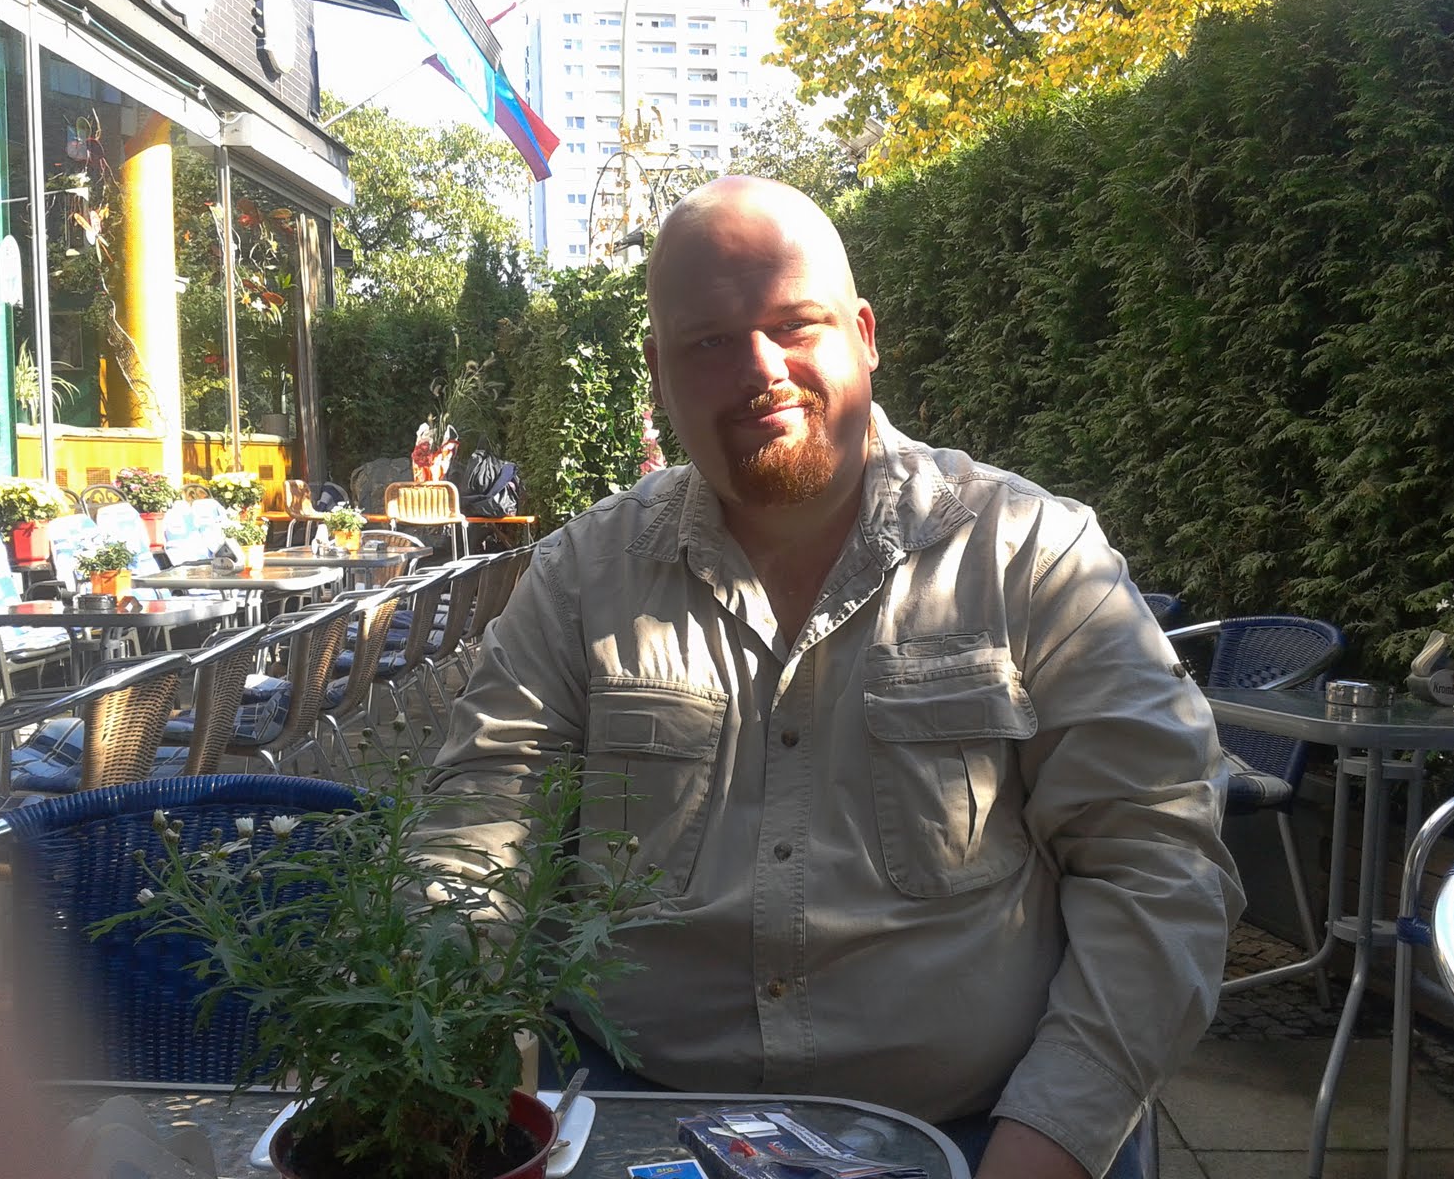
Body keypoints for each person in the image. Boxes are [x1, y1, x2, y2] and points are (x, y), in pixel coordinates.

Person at [432, 176, 1244, 1179]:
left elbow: (1158, 860)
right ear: (657, 371)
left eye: (794, 325)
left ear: (863, 333)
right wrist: (425, 1056)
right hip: (641, 1131)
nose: (759, 370)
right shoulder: (578, 580)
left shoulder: (1032, 555)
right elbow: (473, 835)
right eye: (708, 343)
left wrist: (1047, 1141)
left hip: (976, 1134)